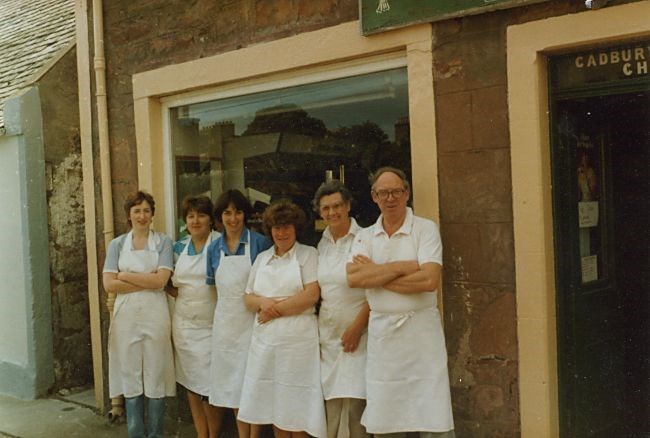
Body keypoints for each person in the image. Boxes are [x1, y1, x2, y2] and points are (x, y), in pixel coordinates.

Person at [347, 167, 455, 437]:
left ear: (406, 193)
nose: (390, 198)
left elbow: (429, 280)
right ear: (374, 197)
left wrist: (378, 274)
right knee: (387, 418)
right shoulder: (365, 236)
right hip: (384, 341)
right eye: (383, 193)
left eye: (396, 191)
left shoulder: (425, 229)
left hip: (422, 338)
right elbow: (355, 278)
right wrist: (403, 266)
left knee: (432, 416)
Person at [238, 201, 327, 438]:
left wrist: (273, 310)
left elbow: (311, 295)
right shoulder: (262, 259)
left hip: (297, 344)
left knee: (297, 407)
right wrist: (262, 304)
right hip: (266, 344)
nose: (282, 232)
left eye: (287, 227)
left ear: (296, 228)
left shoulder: (308, 254)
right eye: (277, 228)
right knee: (276, 405)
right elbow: (248, 298)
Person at [102, 191, 175, 438]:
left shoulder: (163, 242)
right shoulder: (117, 245)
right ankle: (136, 433)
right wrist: (148, 279)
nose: (142, 216)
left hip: (155, 311)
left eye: (146, 210)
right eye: (136, 211)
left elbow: (161, 281)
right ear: (129, 215)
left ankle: (155, 434)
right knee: (130, 372)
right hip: (126, 314)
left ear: (152, 214)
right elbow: (109, 285)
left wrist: (125, 275)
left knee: (156, 372)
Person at [206, 189, 271, 438]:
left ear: (246, 214)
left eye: (238, 212)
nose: (233, 218)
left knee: (251, 386)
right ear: (220, 217)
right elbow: (214, 288)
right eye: (227, 213)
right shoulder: (213, 249)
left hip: (253, 324)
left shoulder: (259, 243)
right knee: (233, 388)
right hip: (226, 328)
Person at [312, 180, 370, 438]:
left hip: (359, 336)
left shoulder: (366, 239)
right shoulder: (321, 244)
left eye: (337, 206)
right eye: (326, 208)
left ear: (347, 206)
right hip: (329, 338)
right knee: (331, 410)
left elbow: (376, 291)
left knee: (356, 409)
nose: (332, 212)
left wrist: (357, 327)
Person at [169, 195, 222, 438]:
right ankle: (203, 435)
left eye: (201, 215)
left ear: (211, 219)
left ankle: (214, 434)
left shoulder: (221, 244)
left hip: (212, 325)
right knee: (191, 384)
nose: (196, 220)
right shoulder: (178, 247)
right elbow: (166, 282)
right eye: (191, 216)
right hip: (185, 326)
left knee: (211, 386)